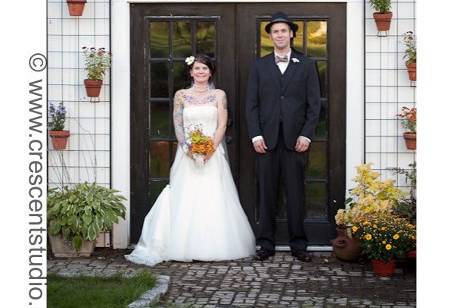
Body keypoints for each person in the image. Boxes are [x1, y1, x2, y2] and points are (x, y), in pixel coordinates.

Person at [126, 54, 255, 266]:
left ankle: (214, 245)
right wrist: (187, 147)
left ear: (210, 72)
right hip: (187, 153)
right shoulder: (181, 95)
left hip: (212, 154)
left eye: (205, 68)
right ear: (191, 71)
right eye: (197, 68)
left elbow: (222, 124)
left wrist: (210, 149)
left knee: (214, 195)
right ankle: (182, 245)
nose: (201, 72)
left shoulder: (218, 95)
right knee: (185, 194)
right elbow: (178, 124)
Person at [245, 12, 321, 262]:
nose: (279, 35)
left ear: (291, 34)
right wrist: (255, 134)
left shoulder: (307, 65)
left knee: (296, 193)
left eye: (283, 31)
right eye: (275, 31)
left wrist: (306, 135)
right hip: (265, 142)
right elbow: (251, 104)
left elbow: (314, 105)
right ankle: (265, 244)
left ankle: (298, 245)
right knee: (266, 193)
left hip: (295, 141)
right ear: (270, 35)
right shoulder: (259, 65)